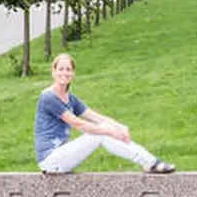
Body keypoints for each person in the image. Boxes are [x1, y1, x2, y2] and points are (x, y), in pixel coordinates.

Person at [34, 53, 175, 174]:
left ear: (73, 74)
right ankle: (151, 163)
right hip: (50, 160)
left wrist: (119, 127)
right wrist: (109, 131)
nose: (64, 73)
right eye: (61, 69)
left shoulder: (70, 97)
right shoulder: (48, 97)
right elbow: (77, 123)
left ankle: (150, 162)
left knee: (103, 129)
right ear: (53, 72)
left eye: (68, 69)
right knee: (100, 134)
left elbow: (95, 117)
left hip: (62, 156)